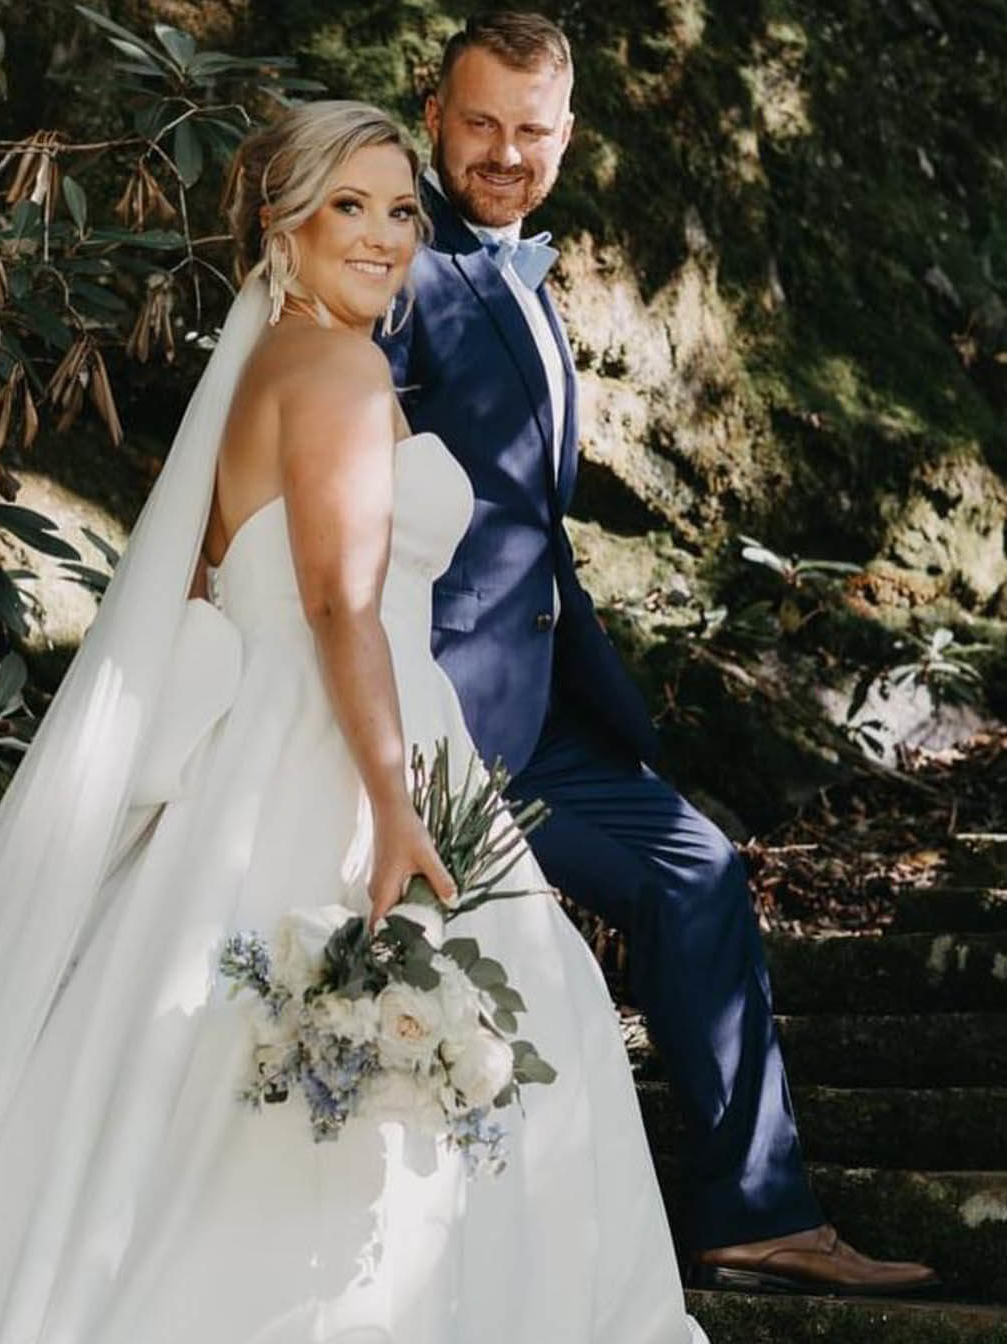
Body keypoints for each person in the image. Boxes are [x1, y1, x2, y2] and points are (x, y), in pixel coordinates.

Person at [0, 101, 708, 1343]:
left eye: (403, 210)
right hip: (347, 752)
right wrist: (394, 810)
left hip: (274, 737)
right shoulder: (334, 367)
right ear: (283, 221)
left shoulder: (271, 368)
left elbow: (211, 588)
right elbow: (342, 602)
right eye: (352, 206)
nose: (388, 237)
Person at [378, 11, 937, 1297]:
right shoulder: (395, 261)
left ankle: (756, 1209)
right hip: (441, 719)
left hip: (547, 710)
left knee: (698, 870)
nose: (505, 154)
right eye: (480, 125)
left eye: (532, 131)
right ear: (434, 114)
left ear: (567, 138)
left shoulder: (524, 276)